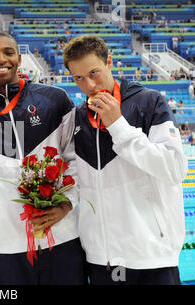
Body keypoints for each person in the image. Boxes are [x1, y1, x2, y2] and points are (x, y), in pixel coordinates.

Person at [0, 32, 85, 285]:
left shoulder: (54, 99)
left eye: (8, 52)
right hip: (8, 248)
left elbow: (76, 160)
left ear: (19, 58)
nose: (0, 59)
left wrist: (66, 205)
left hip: (62, 238)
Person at [63, 35, 187, 285]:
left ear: (109, 62)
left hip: (151, 256)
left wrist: (118, 125)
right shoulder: (77, 117)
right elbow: (76, 180)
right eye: (79, 78)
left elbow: (174, 168)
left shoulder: (149, 102)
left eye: (94, 73)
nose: (89, 85)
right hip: (102, 258)